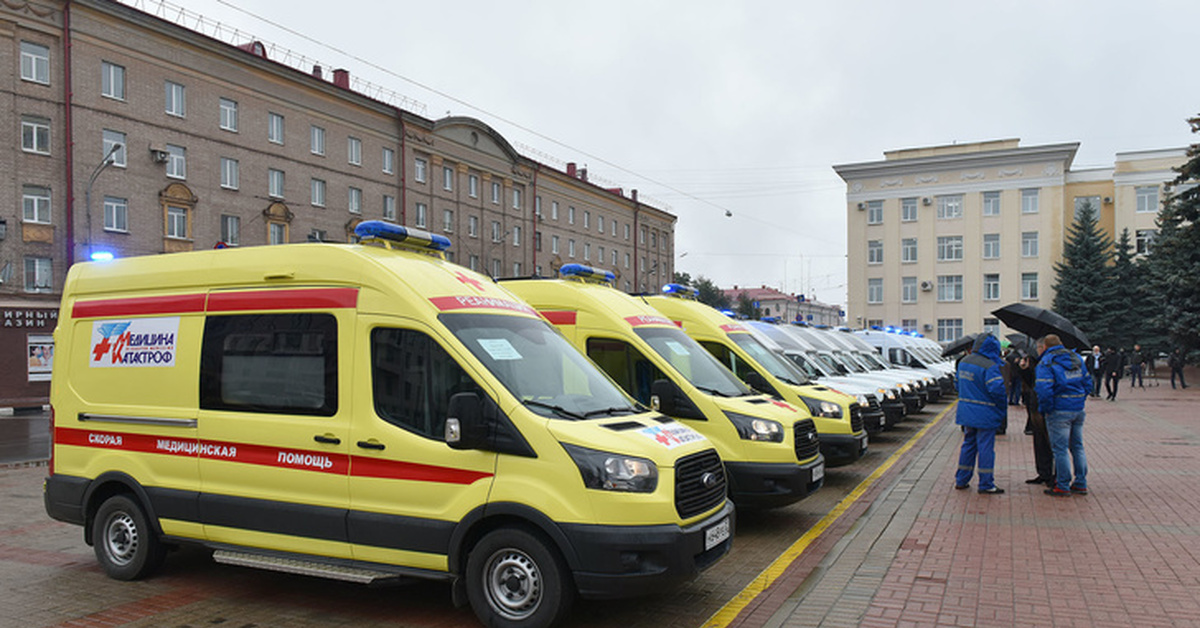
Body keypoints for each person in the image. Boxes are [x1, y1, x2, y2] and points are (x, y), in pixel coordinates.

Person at [1036, 334, 1091, 497]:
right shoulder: (1076, 359)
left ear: (1045, 346)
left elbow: (1044, 390)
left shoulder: (1046, 362)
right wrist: (1080, 399)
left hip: (1058, 410)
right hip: (1077, 408)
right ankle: (1081, 482)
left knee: (1060, 449)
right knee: (1077, 446)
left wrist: (1045, 409)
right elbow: (1088, 383)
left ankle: (1062, 484)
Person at [954, 334, 1007, 494]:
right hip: (985, 413)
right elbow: (997, 390)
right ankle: (986, 484)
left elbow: (957, 384)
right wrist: (1002, 408)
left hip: (966, 412)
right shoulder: (989, 366)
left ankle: (961, 480)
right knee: (985, 448)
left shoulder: (963, 362)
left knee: (968, 445)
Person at [1018, 352, 1054, 486]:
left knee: (1050, 442)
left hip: (1046, 408)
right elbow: (1032, 383)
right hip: (1035, 407)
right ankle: (1043, 473)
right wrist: (1025, 369)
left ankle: (1053, 475)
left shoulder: (1050, 362)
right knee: (1039, 442)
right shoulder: (1038, 361)